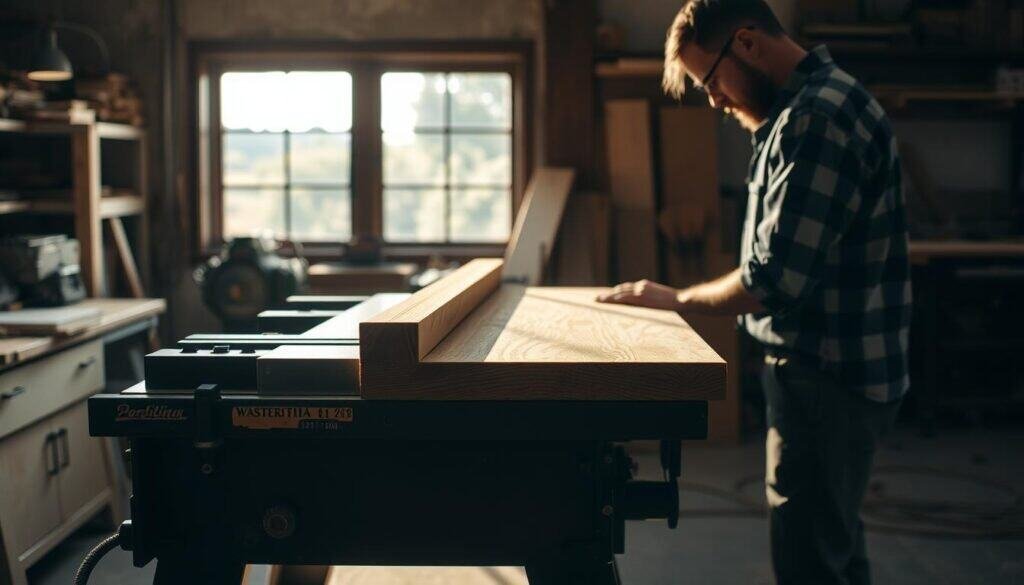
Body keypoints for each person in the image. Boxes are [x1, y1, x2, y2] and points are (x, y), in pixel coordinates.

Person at [597, 1, 912, 583]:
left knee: (810, 561)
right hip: (828, 373)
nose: (714, 101)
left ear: (745, 43)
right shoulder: (803, 111)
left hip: (828, 378)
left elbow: (773, 278)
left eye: (710, 81)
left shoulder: (816, 120)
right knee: (833, 541)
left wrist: (679, 300)